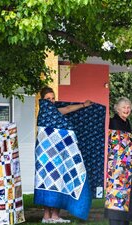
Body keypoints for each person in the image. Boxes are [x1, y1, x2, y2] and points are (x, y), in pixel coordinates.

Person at [36, 86, 93, 224]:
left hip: (58, 154)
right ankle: (47, 216)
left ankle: (53, 216)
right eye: (47, 99)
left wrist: (83, 105)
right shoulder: (44, 113)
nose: (51, 101)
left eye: (53, 98)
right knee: (47, 181)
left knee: (58, 181)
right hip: (45, 155)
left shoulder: (55, 112)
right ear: (42, 101)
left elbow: (67, 109)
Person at [105, 97, 132, 225]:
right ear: (118, 109)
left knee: (125, 195)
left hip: (126, 167)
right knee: (117, 195)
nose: (126, 110)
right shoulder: (114, 122)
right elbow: (116, 141)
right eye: (123, 108)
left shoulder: (126, 122)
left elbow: (127, 140)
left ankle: (124, 221)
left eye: (128, 107)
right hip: (117, 168)